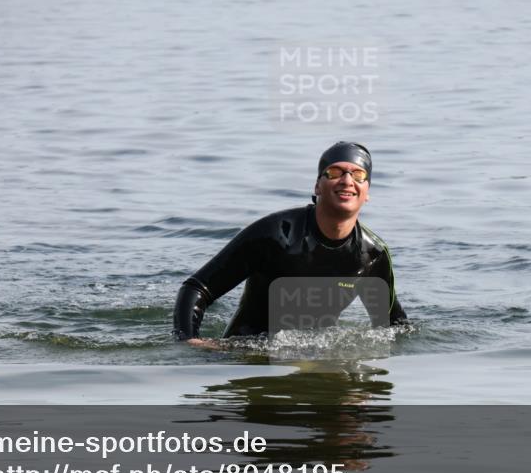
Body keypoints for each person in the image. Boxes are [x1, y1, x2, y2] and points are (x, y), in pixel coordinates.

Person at [172, 142, 408, 346]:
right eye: (335, 172)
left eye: (358, 175)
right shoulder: (275, 235)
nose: (347, 180)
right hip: (246, 358)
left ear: (367, 192)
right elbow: (197, 288)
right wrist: (188, 341)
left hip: (314, 360)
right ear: (317, 187)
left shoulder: (372, 255)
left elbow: (394, 327)